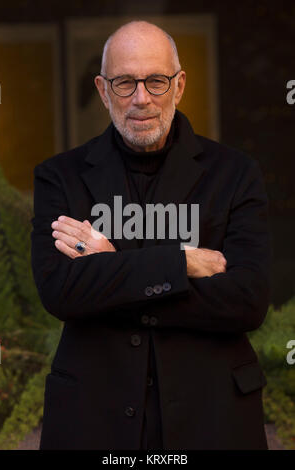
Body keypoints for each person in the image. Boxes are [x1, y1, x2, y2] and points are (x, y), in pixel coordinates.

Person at [31, 20, 271, 450]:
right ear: (103, 91)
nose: (141, 99)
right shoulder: (58, 178)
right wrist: (182, 263)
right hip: (93, 421)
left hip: (214, 420)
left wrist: (110, 269)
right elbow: (60, 290)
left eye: (156, 81)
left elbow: (247, 301)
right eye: (125, 83)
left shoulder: (235, 173)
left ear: (179, 86)